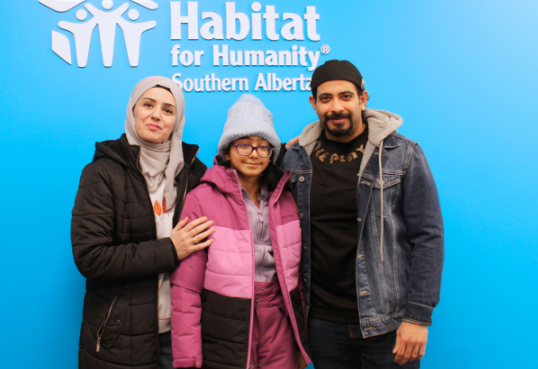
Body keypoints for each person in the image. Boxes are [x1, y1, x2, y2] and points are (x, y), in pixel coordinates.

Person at [281, 60, 444, 368]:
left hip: (388, 321)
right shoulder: (296, 158)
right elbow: (252, 175)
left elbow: (428, 236)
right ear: (313, 103)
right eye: (326, 99)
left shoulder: (402, 152)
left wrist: (418, 316)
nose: (336, 107)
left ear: (363, 99)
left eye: (345, 96)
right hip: (322, 323)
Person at [71, 76, 215, 369]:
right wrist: (170, 249)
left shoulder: (195, 174)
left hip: (184, 333)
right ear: (133, 110)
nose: (156, 115)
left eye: (168, 109)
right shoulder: (102, 174)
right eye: (148, 104)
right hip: (120, 337)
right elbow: (91, 257)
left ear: (177, 120)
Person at [170, 95, 311, 369]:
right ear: (227, 151)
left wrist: (300, 341)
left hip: (279, 326)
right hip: (225, 327)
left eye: (263, 147)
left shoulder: (286, 198)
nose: (254, 154)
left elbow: (298, 278)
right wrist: (187, 359)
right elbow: (186, 288)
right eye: (244, 145)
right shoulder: (201, 199)